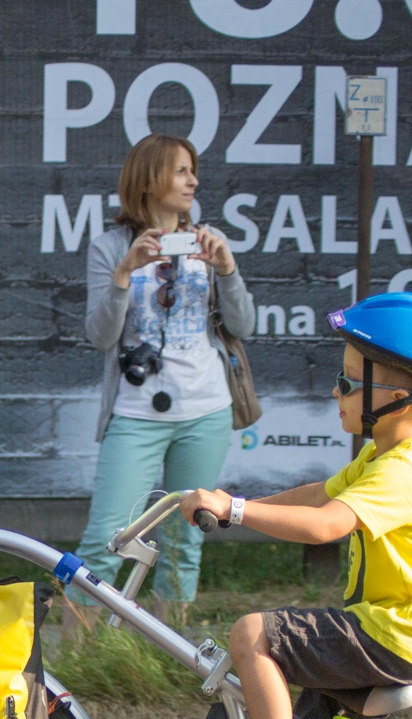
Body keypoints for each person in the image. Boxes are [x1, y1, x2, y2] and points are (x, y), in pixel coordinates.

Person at [182, 292, 412, 719]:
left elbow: (325, 525)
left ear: (397, 397)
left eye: (346, 382)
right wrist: (232, 503)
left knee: (252, 634)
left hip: (393, 637)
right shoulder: (379, 456)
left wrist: (237, 512)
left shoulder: (403, 470)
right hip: (388, 631)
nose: (334, 392)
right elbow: (320, 495)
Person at [69, 133, 255, 630]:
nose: (193, 181)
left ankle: (167, 656)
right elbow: (100, 335)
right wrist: (124, 273)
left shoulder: (208, 240)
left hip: (206, 409)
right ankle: (75, 661)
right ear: (149, 180)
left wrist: (228, 270)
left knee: (183, 540)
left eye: (193, 171)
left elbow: (243, 326)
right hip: (135, 412)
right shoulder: (111, 246)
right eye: (180, 171)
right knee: (106, 538)